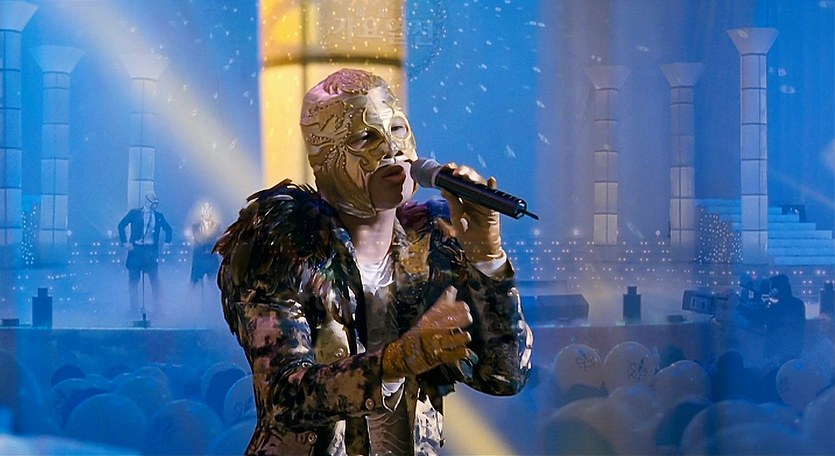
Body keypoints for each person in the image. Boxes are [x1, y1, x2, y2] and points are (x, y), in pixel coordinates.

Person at [214, 68, 533, 455]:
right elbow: (284, 397)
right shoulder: (282, 250)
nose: (392, 149)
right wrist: (397, 361)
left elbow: (504, 375)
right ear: (322, 158)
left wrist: (487, 258)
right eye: (365, 138)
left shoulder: (434, 250)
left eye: (397, 129)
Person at [118, 192, 172, 315]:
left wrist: (167, 242)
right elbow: (121, 225)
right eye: (153, 203)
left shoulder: (158, 216)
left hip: (150, 251)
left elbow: (168, 229)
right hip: (136, 250)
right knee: (133, 280)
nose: (155, 206)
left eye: (156, 203)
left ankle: (157, 308)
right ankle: (133, 308)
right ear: (147, 202)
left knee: (154, 280)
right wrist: (125, 242)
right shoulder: (134, 213)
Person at [189, 202, 221, 287]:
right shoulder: (195, 227)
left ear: (211, 212)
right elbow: (199, 239)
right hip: (199, 261)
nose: (207, 213)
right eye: (205, 210)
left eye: (208, 210)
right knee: (196, 286)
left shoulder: (217, 227)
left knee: (213, 285)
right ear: (202, 212)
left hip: (212, 261)